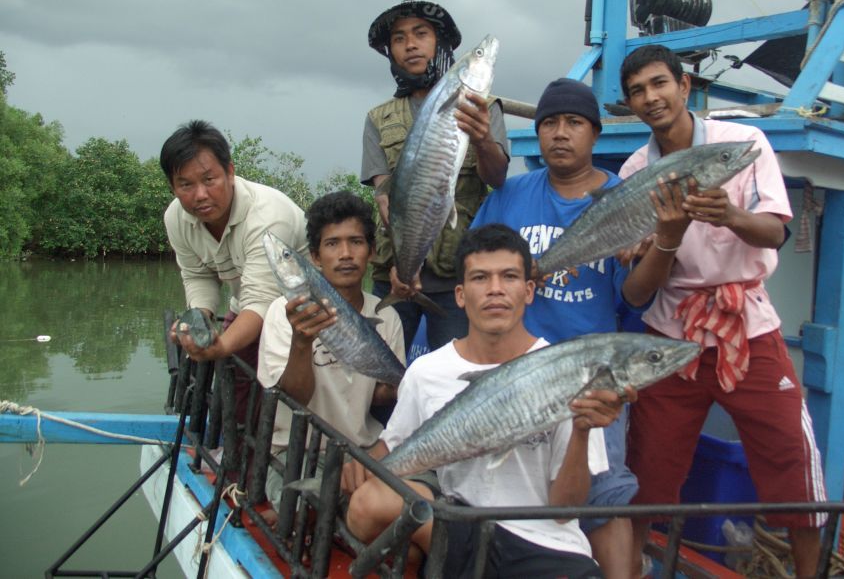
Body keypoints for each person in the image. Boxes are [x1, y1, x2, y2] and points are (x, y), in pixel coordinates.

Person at [618, 44, 826, 578]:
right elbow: (637, 294)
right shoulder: (636, 170)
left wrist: (732, 215)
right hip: (669, 333)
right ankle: (634, 570)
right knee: (649, 470)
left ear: (684, 86)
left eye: (659, 83)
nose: (651, 97)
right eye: (638, 91)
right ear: (630, 103)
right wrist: (664, 238)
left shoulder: (744, 142)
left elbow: (775, 230)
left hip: (748, 326)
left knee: (791, 460)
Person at [470, 78, 681, 579]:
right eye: (548, 123)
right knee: (503, 487)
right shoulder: (511, 194)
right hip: (515, 375)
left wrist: (665, 242)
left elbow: (634, 297)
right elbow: (477, 275)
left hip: (594, 376)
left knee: (605, 496)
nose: (559, 133)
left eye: (573, 122)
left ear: (595, 132)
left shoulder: (627, 197)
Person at [343, 223, 633, 578]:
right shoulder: (427, 372)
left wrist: (583, 431)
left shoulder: (571, 374)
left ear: (528, 291)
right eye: (481, 278)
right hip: (461, 529)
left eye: (509, 276)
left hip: (547, 545)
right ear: (461, 294)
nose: (495, 290)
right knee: (368, 504)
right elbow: (393, 452)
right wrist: (351, 475)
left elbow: (564, 510)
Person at [361, 0, 509, 356]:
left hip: (456, 274)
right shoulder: (378, 118)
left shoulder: (486, 108)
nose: (410, 44)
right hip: (394, 273)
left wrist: (483, 138)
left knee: (455, 377)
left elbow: (498, 177)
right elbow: (384, 193)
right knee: (379, 378)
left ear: (440, 43)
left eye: (421, 34)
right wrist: (402, 265)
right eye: (399, 38)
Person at [256, 191, 405, 503]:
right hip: (296, 452)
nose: (346, 254)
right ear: (314, 256)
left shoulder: (385, 316)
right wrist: (301, 342)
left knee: (401, 509)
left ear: (372, 251)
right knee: (304, 508)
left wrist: (402, 389)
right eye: (332, 243)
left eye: (356, 242)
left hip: (363, 450)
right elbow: (294, 398)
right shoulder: (282, 314)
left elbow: (377, 392)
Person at [160, 119, 308, 422]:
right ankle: (238, 459)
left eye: (209, 179)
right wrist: (197, 320)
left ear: (230, 172)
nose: (199, 194)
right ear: (173, 187)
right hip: (249, 306)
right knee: (237, 393)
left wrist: (221, 345)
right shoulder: (176, 217)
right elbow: (197, 275)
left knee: (282, 398)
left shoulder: (267, 216)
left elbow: (261, 301)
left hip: (303, 310)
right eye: (185, 185)